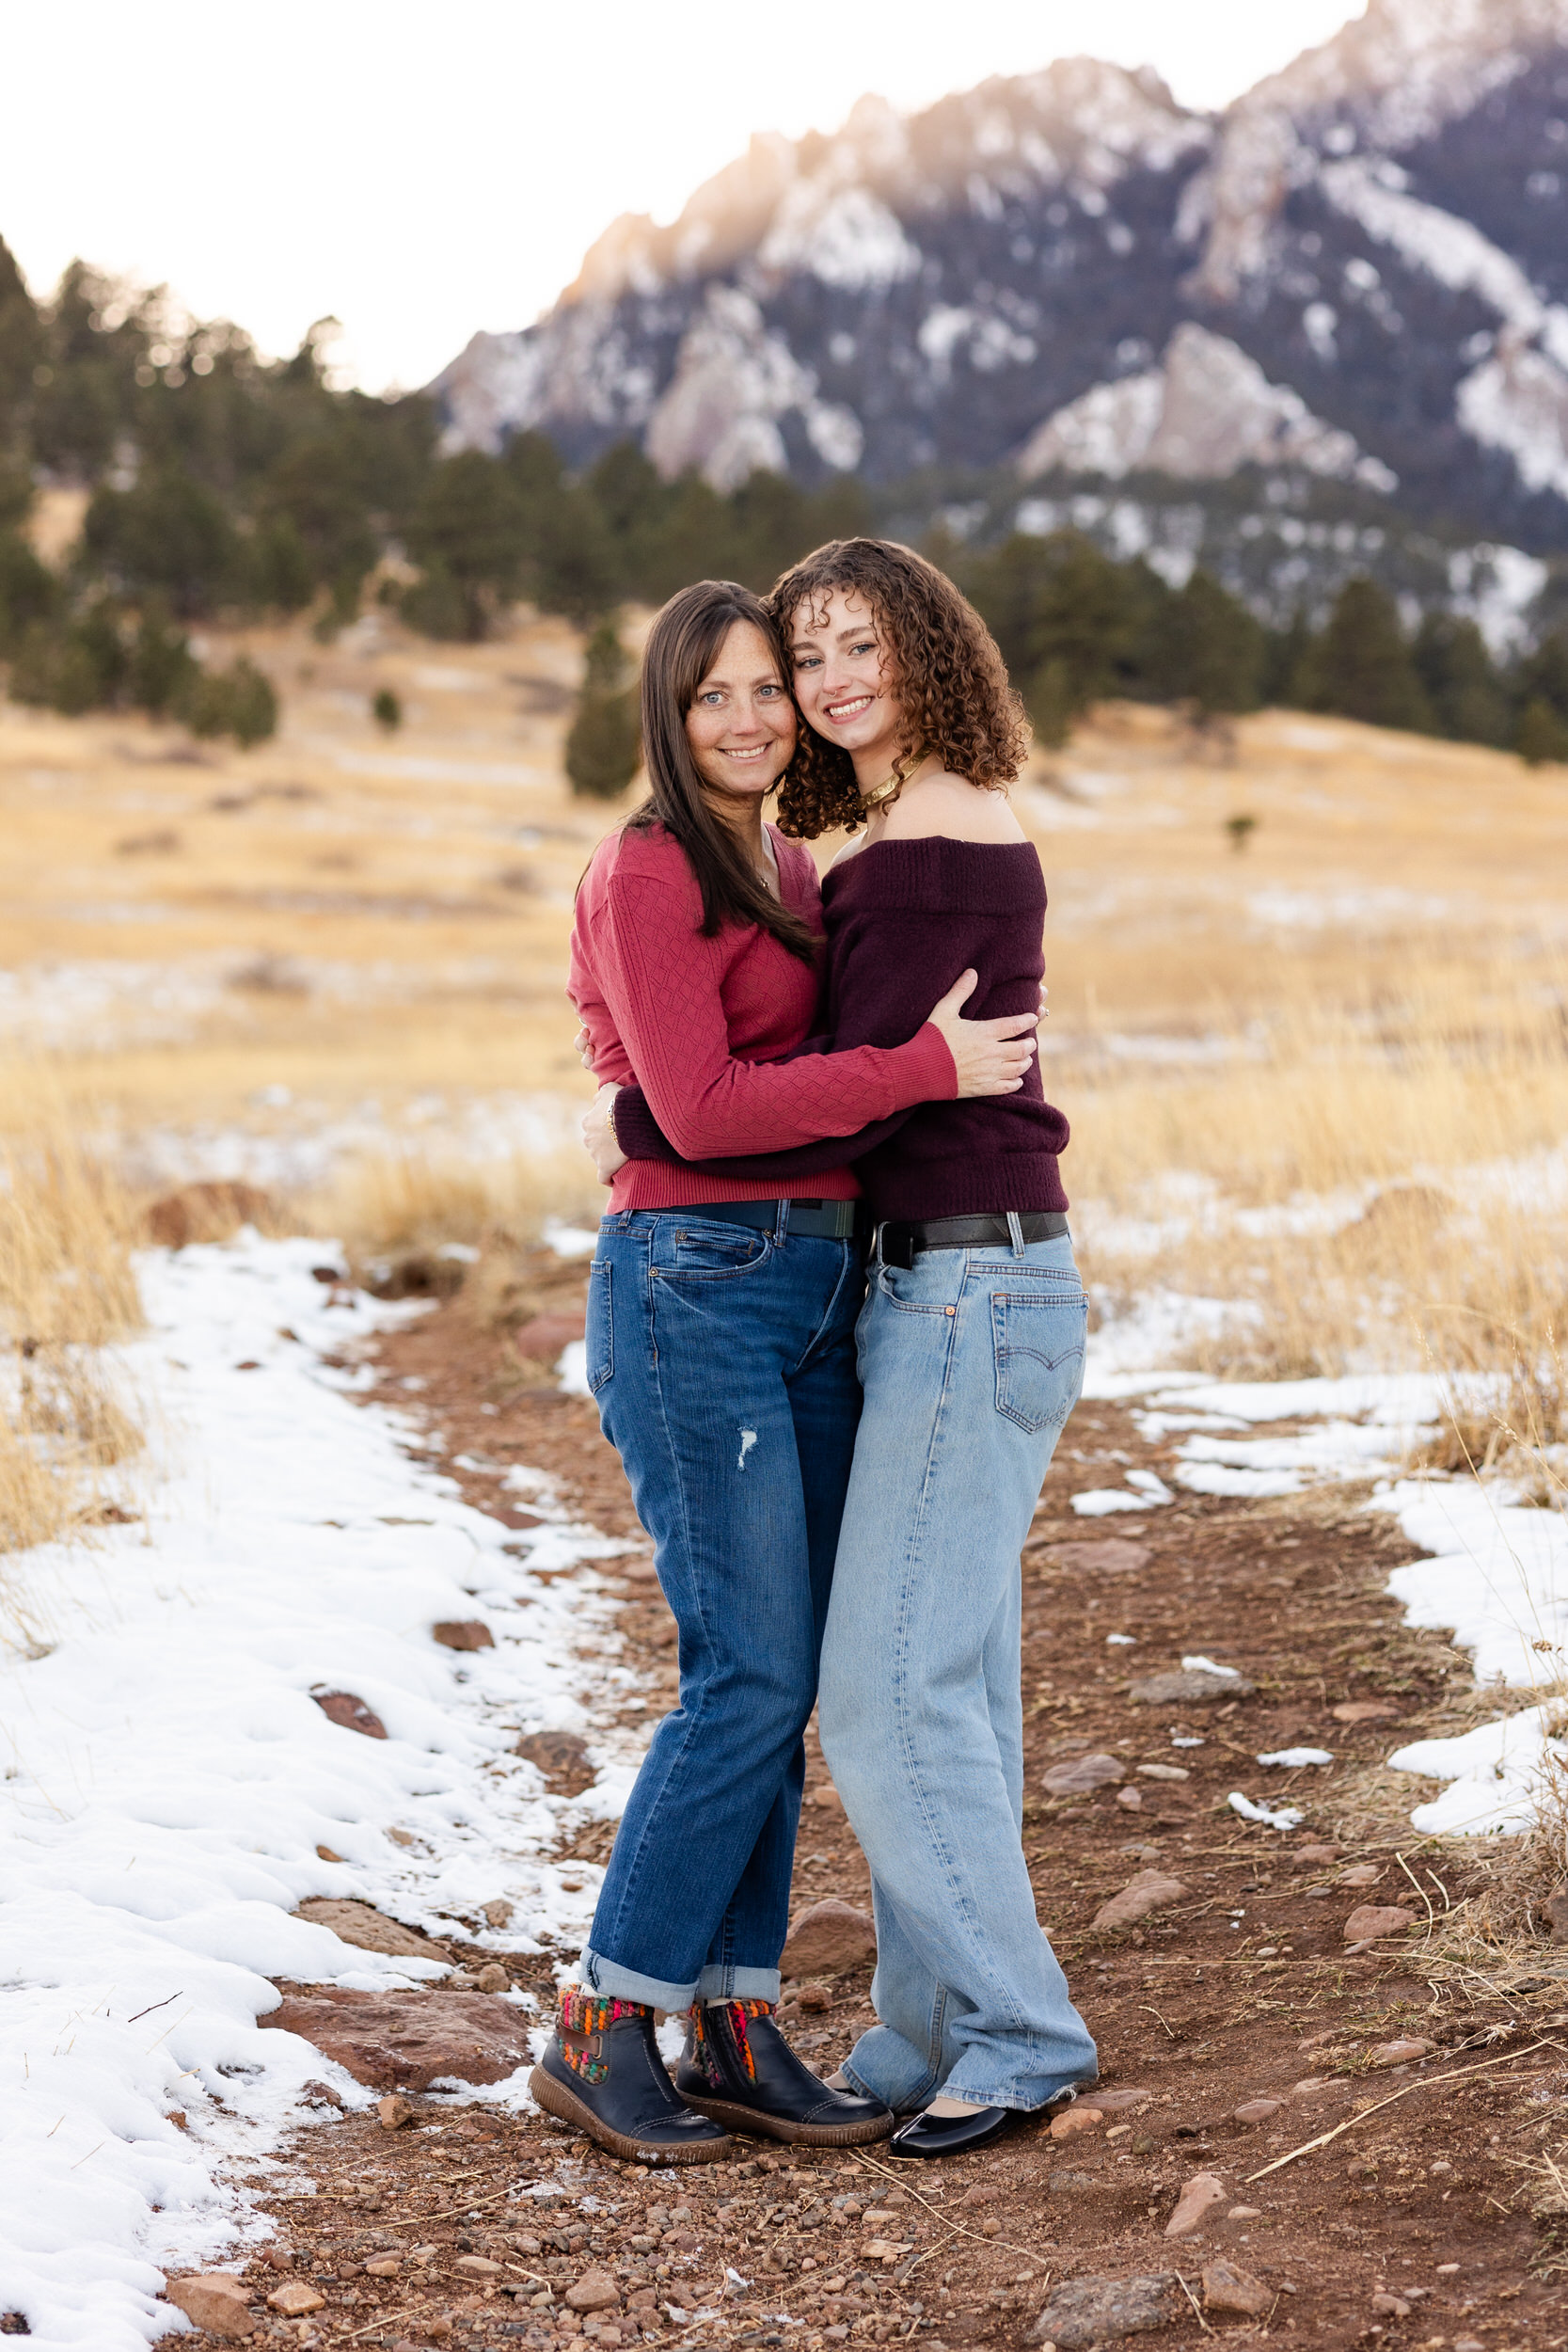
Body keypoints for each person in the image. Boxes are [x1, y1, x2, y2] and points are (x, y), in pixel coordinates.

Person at [591, 538, 1100, 2160]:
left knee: (879, 1691)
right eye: (789, 662)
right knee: (904, 1677)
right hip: (900, 1282)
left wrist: (679, 1106)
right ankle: (916, 2024)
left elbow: (840, 1069)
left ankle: (1013, 2032)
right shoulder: (780, 859)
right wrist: (668, 1102)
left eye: (841, 648)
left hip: (964, 1281)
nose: (814, 686)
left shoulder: (923, 841)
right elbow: (789, 1080)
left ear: (927, 650)